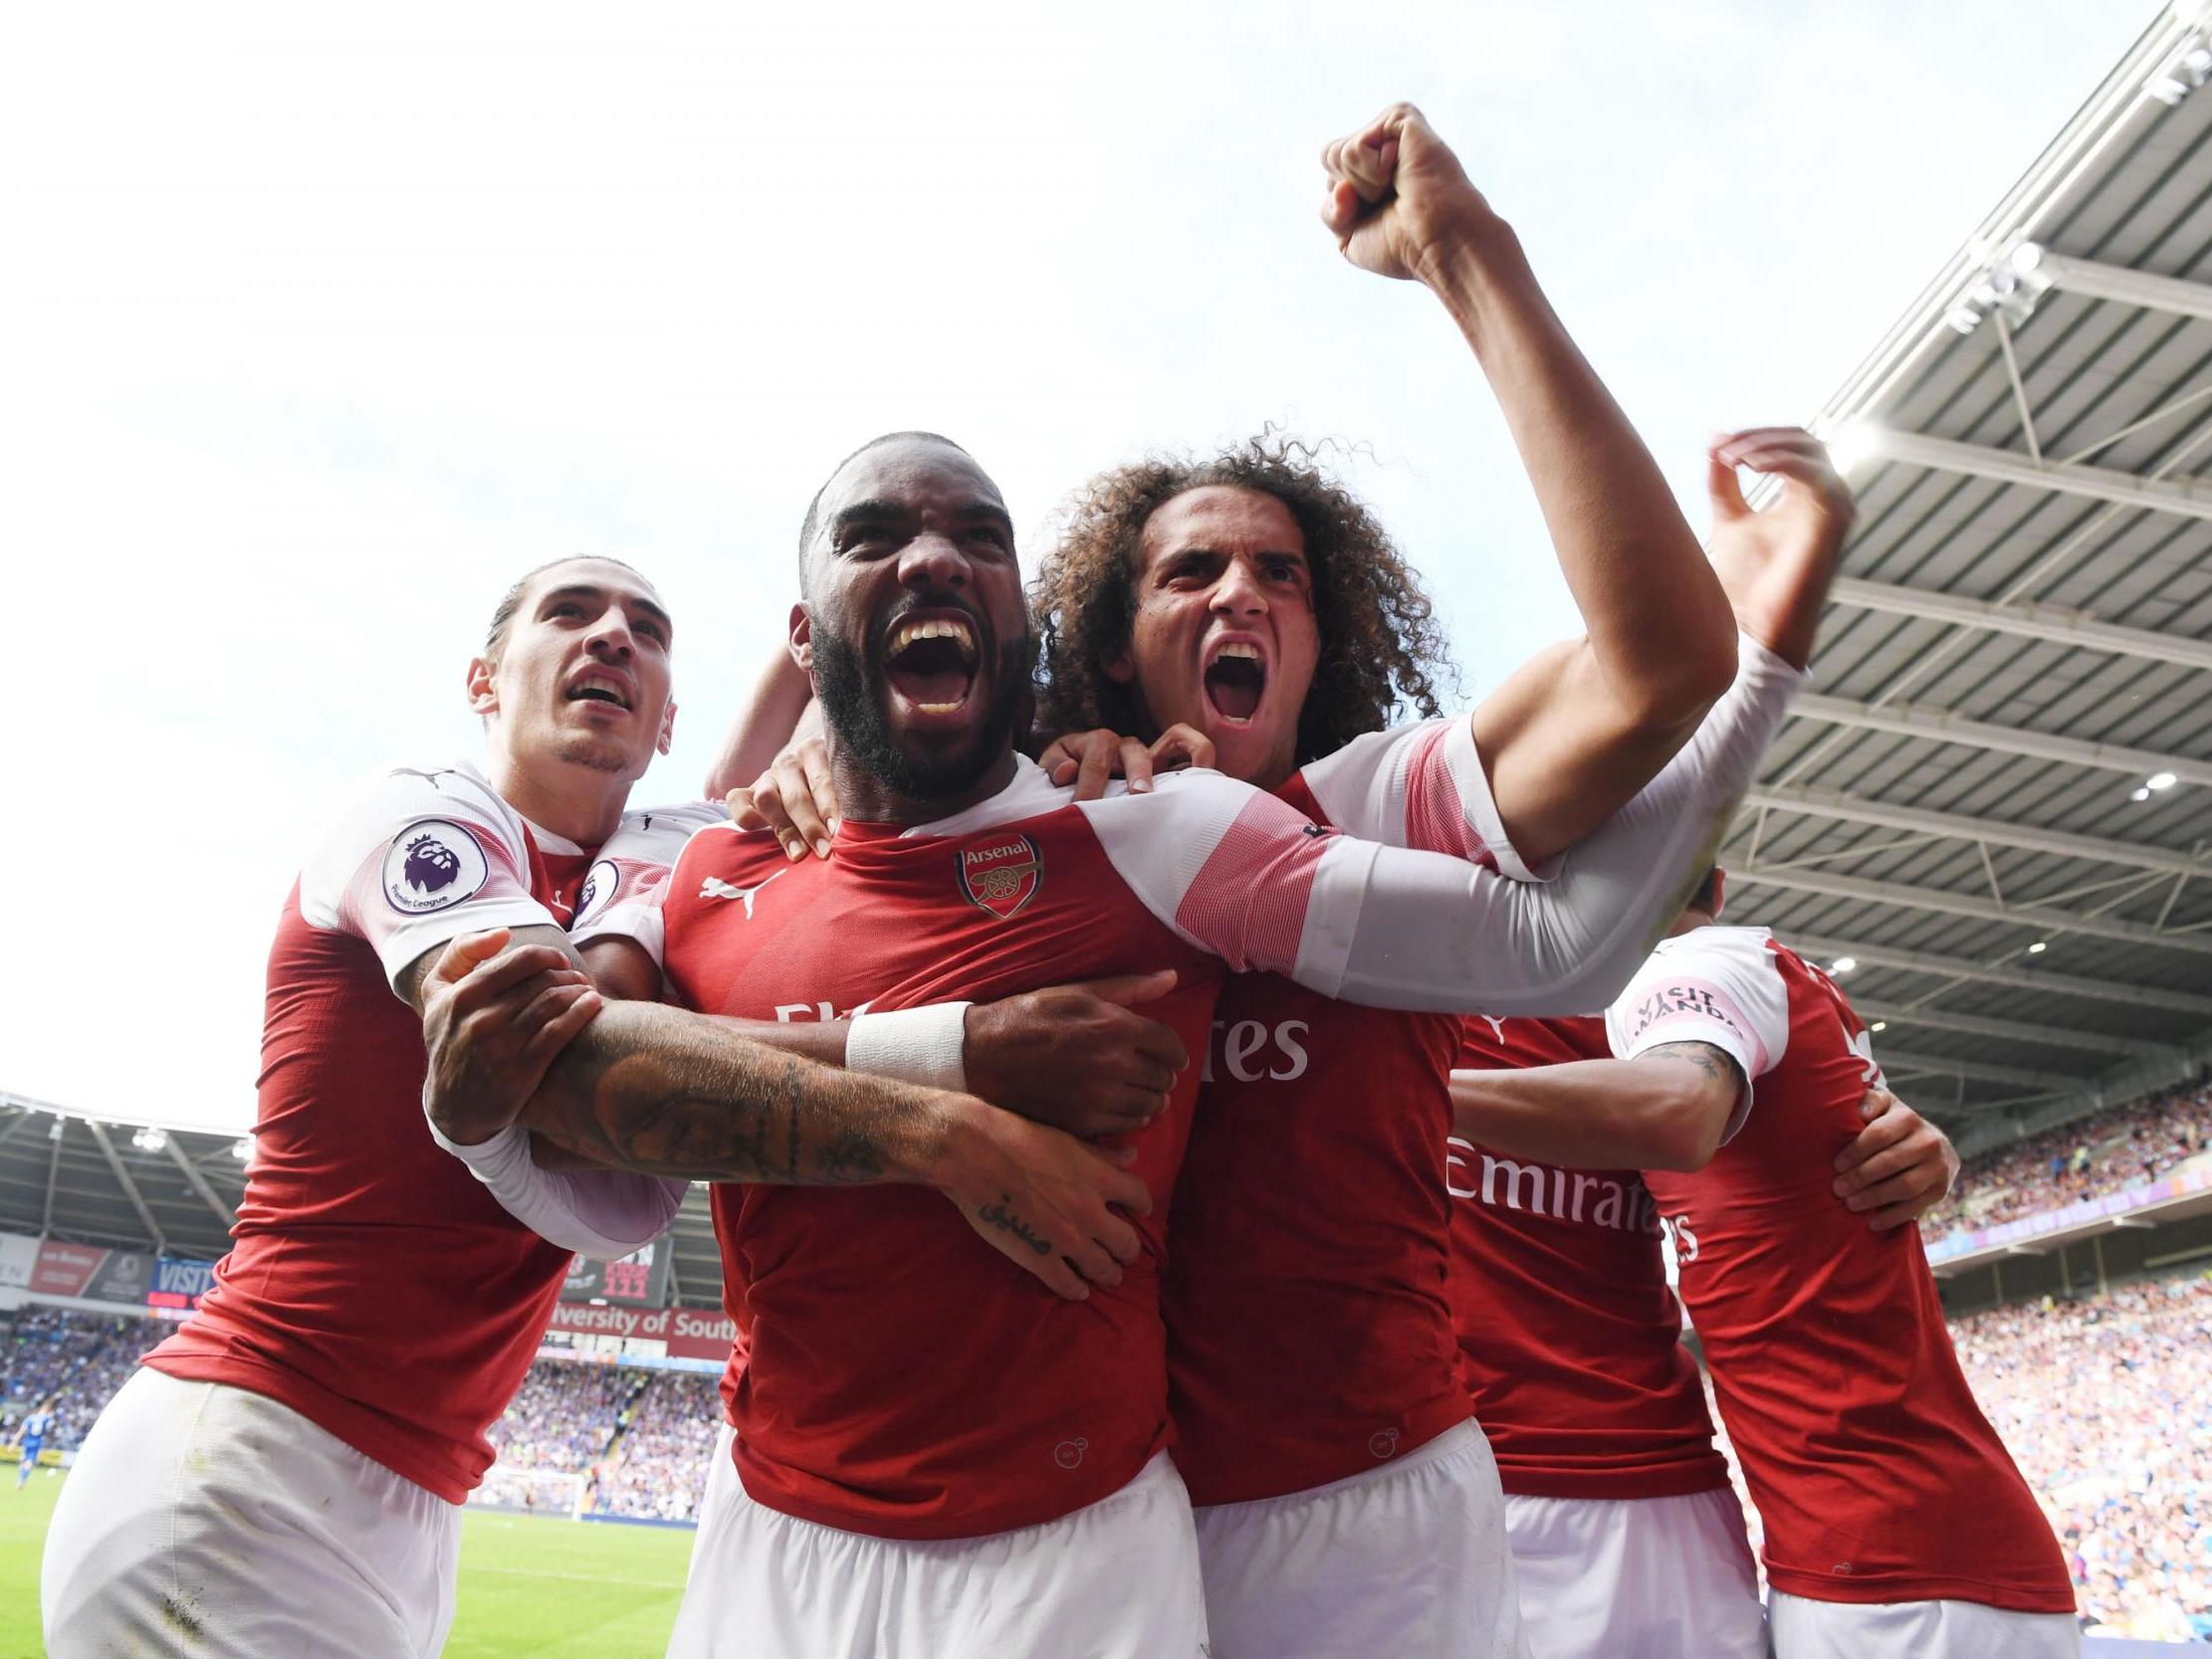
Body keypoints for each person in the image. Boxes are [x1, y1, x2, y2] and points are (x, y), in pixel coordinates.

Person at [428, 407, 1804, 1658]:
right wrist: (948, 1088)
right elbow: (587, 1142)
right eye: (874, 534)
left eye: (978, 535)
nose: (931, 557)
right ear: (806, 634)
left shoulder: (1165, 829)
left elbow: (1558, 936)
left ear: (1023, 622)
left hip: (1119, 1530)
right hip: (776, 1532)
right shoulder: (709, 861)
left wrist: (1765, 660)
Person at [39, 556, 1095, 1659]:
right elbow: (566, 1076)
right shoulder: (419, 816)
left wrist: (1067, 738)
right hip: (251, 1451)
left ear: (666, 719)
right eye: (569, 612)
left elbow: (715, 825)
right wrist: (952, 1072)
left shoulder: (629, 876)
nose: (611, 636)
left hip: (413, 1494)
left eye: (647, 627)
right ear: (485, 681)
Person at [1456, 869, 2078, 1658]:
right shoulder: (1395, 978)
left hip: (1870, 1564)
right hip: (1844, 1551)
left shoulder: (1689, 973)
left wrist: (1412, 1097)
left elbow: (1680, 1105)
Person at [1449, 1012, 1958, 1659]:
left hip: (1662, 1496)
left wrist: (1921, 1142)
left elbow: (1818, 1118)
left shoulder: (1646, 999)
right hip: (1447, 1493)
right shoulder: (1365, 981)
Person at [12, 1397, 56, 1489]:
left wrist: (14, 1442)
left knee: (23, 1461)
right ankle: (22, 1479)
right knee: (29, 1462)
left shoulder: (30, 1418)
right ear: (48, 1410)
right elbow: (50, 1429)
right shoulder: (46, 1419)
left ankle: (20, 1477)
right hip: (37, 1441)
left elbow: (22, 1430)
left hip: (27, 1440)